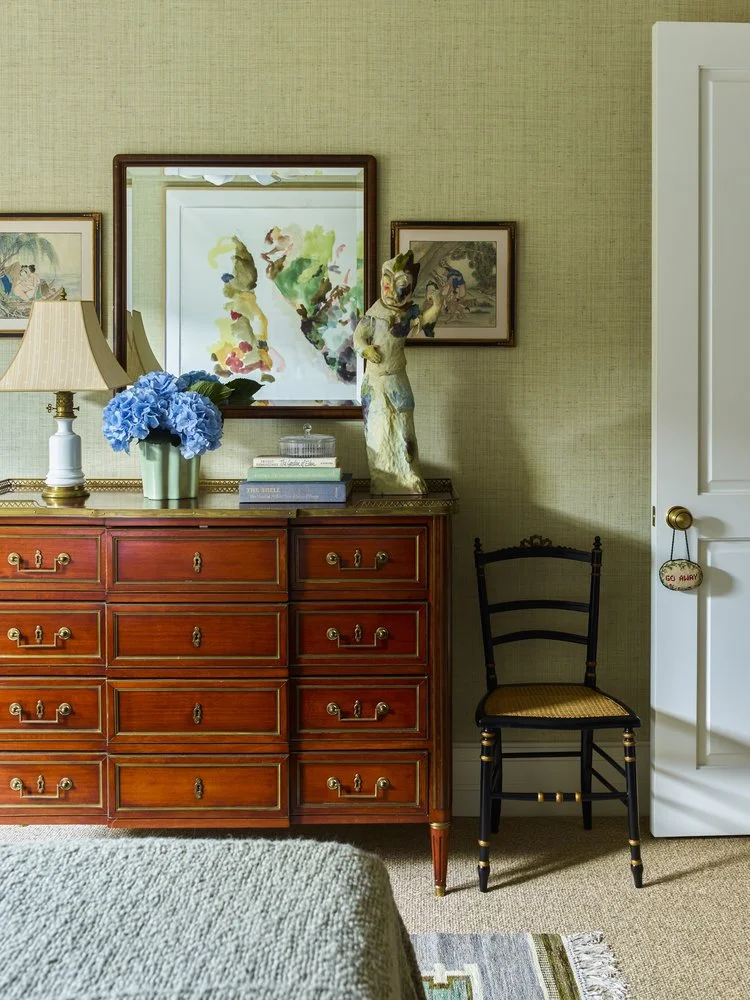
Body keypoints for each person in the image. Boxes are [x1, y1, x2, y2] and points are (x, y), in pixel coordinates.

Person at [353, 250, 442, 494]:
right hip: (375, 382)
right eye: (387, 283)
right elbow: (358, 338)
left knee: (404, 428)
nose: (392, 291)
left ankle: (408, 476)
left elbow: (425, 321)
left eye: (401, 285)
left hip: (398, 379)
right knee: (379, 431)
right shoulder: (373, 316)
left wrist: (437, 305)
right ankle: (383, 479)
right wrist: (366, 350)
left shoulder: (408, 314)